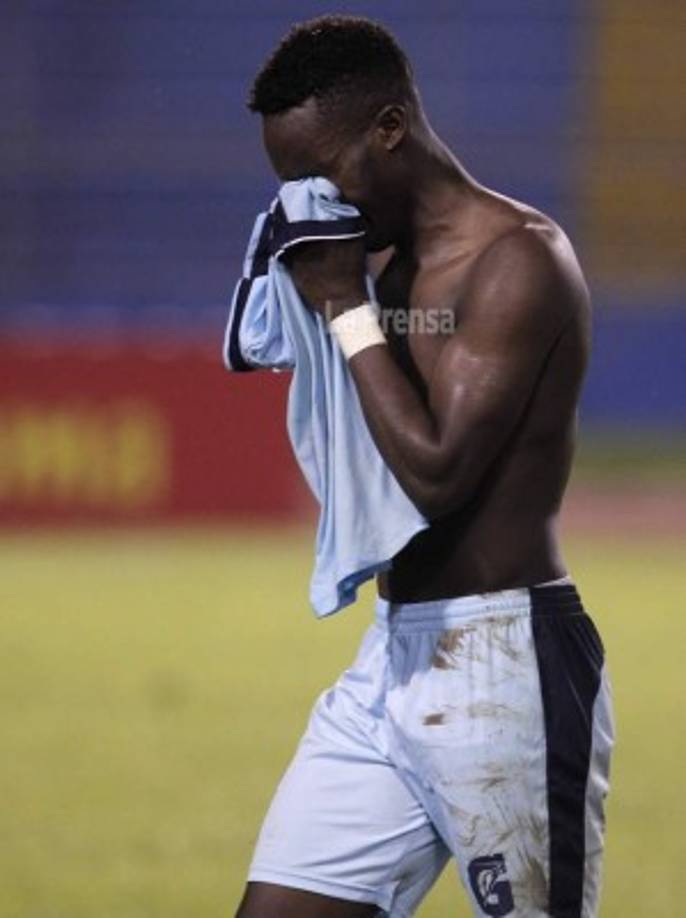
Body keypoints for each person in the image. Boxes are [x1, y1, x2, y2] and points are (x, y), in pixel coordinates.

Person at [235, 15, 613, 918]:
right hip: (392, 657)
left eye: (320, 173)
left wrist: (344, 307)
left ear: (391, 128)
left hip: (507, 665)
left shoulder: (517, 260)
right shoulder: (375, 261)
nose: (308, 202)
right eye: (289, 183)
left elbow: (439, 477)